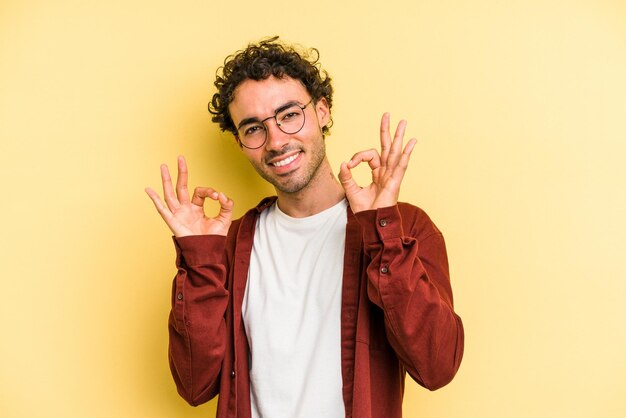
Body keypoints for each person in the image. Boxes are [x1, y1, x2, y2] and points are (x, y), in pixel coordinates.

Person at [145, 37, 464, 418]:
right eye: (253, 128)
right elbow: (196, 386)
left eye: (290, 114)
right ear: (239, 142)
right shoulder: (228, 248)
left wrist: (384, 236)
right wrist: (199, 260)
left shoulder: (404, 228)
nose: (276, 140)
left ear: (323, 111)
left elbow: (437, 366)